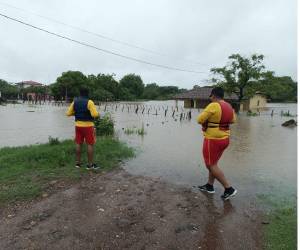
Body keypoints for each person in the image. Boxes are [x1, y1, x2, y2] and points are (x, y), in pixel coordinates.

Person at [197, 87, 237, 200]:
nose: (210, 98)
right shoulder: (229, 106)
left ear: (213, 95)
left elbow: (199, 119)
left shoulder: (213, 105)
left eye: (210, 96)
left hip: (213, 139)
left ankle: (229, 189)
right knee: (213, 163)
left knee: (210, 165)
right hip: (225, 139)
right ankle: (209, 186)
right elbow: (233, 120)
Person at [66, 87, 100, 170]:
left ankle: (78, 164)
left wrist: (77, 113)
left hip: (78, 126)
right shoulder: (90, 102)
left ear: (80, 93)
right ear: (87, 93)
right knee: (90, 144)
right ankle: (90, 165)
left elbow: (68, 113)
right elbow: (95, 115)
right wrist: (97, 113)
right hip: (88, 126)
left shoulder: (75, 102)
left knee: (78, 143)